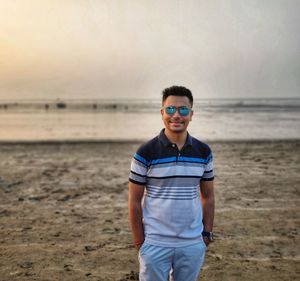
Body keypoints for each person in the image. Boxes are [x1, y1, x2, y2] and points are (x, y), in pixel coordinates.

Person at [128, 86, 215, 281]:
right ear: (162, 113)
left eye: (183, 110)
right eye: (170, 109)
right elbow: (134, 200)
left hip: (192, 242)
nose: (176, 115)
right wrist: (139, 241)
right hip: (155, 242)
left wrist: (206, 233)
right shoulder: (145, 152)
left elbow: (208, 197)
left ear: (191, 114)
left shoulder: (203, 152)